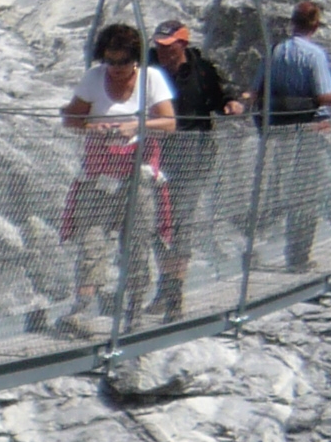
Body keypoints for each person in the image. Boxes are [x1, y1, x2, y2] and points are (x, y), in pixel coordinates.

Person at [60, 21, 176, 331]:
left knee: (136, 243)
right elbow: (71, 118)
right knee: (91, 241)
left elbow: (169, 122)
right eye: (109, 61)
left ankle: (134, 308)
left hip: (138, 176)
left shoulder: (151, 79)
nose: (115, 68)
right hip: (98, 175)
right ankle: (83, 307)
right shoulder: (93, 78)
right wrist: (93, 127)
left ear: (135, 59)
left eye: (122, 62)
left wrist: (137, 125)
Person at [236, 0, 331, 274]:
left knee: (273, 192)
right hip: (307, 134)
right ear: (315, 26)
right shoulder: (314, 55)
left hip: (275, 135)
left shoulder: (274, 52)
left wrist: (238, 104)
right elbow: (324, 96)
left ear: (292, 23)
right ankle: (299, 256)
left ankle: (252, 249)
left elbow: (254, 92)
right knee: (306, 195)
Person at [146, 17, 228, 319]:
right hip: (157, 153)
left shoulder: (201, 69)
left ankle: (174, 295)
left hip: (194, 155)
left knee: (180, 221)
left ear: (183, 43)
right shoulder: (148, 69)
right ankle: (165, 288)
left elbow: (220, 97)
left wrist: (231, 104)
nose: (163, 51)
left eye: (168, 46)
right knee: (155, 222)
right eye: (159, 45)